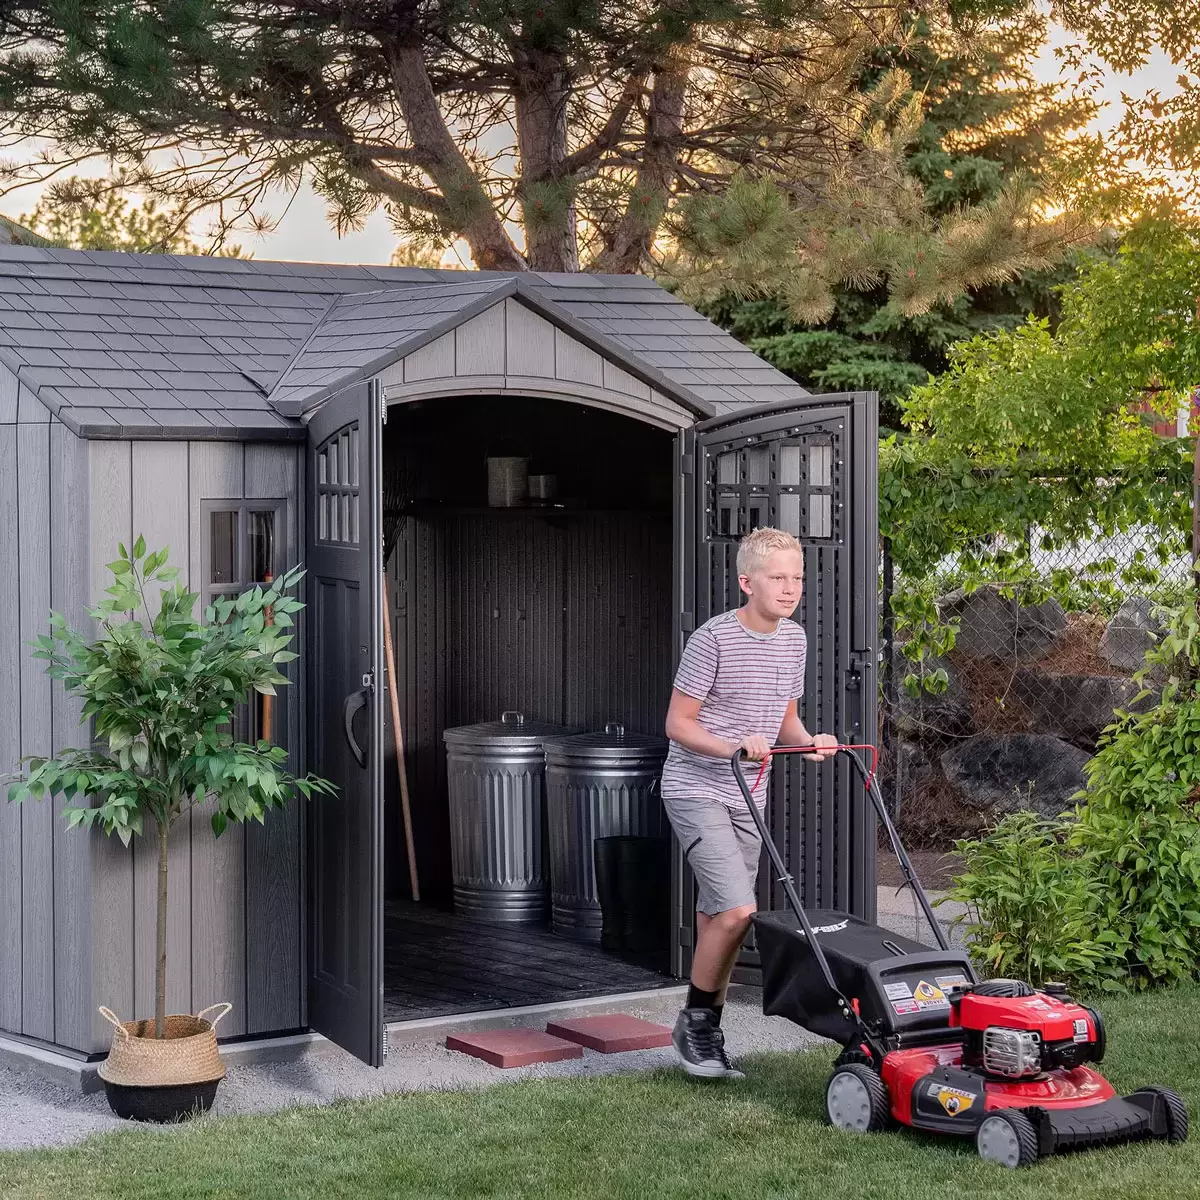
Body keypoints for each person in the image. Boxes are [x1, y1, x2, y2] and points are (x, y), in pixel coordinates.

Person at [661, 526, 838, 1078]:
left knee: (722, 914)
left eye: (797, 579)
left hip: (747, 794)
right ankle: (698, 1027)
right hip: (695, 789)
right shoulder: (712, 640)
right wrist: (732, 746)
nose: (790, 589)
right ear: (747, 582)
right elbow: (677, 724)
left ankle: (700, 1031)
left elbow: (783, 719)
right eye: (778, 578)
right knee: (739, 910)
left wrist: (808, 741)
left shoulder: (795, 640)